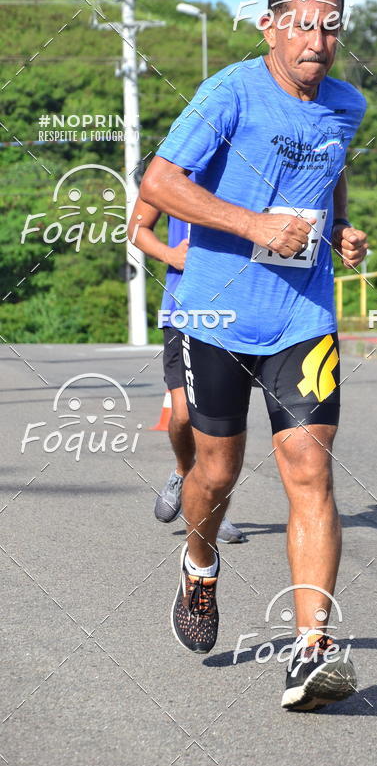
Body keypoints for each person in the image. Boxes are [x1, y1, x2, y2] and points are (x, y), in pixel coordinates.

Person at [141, 0, 368, 711]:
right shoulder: (230, 90)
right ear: (271, 25)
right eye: (303, 22)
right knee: (216, 472)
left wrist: (340, 227)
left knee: (310, 468)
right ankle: (200, 562)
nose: (318, 38)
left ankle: (312, 650)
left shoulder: (347, 105)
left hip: (303, 317)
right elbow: (159, 183)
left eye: (331, 24)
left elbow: (330, 166)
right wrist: (249, 224)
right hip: (216, 313)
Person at [127, 200, 243, 543]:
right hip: (184, 311)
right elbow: (136, 228)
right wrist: (170, 255)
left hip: (234, 312)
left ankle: (211, 510)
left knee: (219, 422)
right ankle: (182, 472)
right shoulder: (178, 168)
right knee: (181, 414)